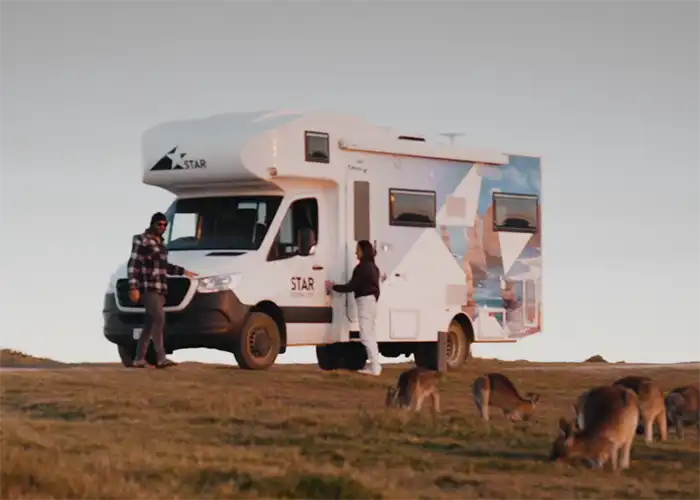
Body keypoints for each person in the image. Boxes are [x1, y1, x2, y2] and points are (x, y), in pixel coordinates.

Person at [127, 212, 198, 368]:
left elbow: (164, 266)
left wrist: (184, 272)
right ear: (152, 224)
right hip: (148, 287)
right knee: (159, 318)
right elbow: (133, 264)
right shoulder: (141, 240)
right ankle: (161, 358)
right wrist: (133, 287)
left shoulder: (161, 244)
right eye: (159, 224)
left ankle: (139, 359)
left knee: (149, 323)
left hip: (160, 289)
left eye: (165, 225)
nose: (162, 227)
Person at [325, 240, 382, 376]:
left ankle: (375, 367)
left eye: (358, 249)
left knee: (366, 335)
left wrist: (333, 286)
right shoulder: (374, 268)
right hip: (371, 301)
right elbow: (377, 289)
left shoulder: (361, 268)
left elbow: (350, 287)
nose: (356, 252)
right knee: (371, 333)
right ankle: (375, 365)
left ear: (363, 251)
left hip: (364, 301)